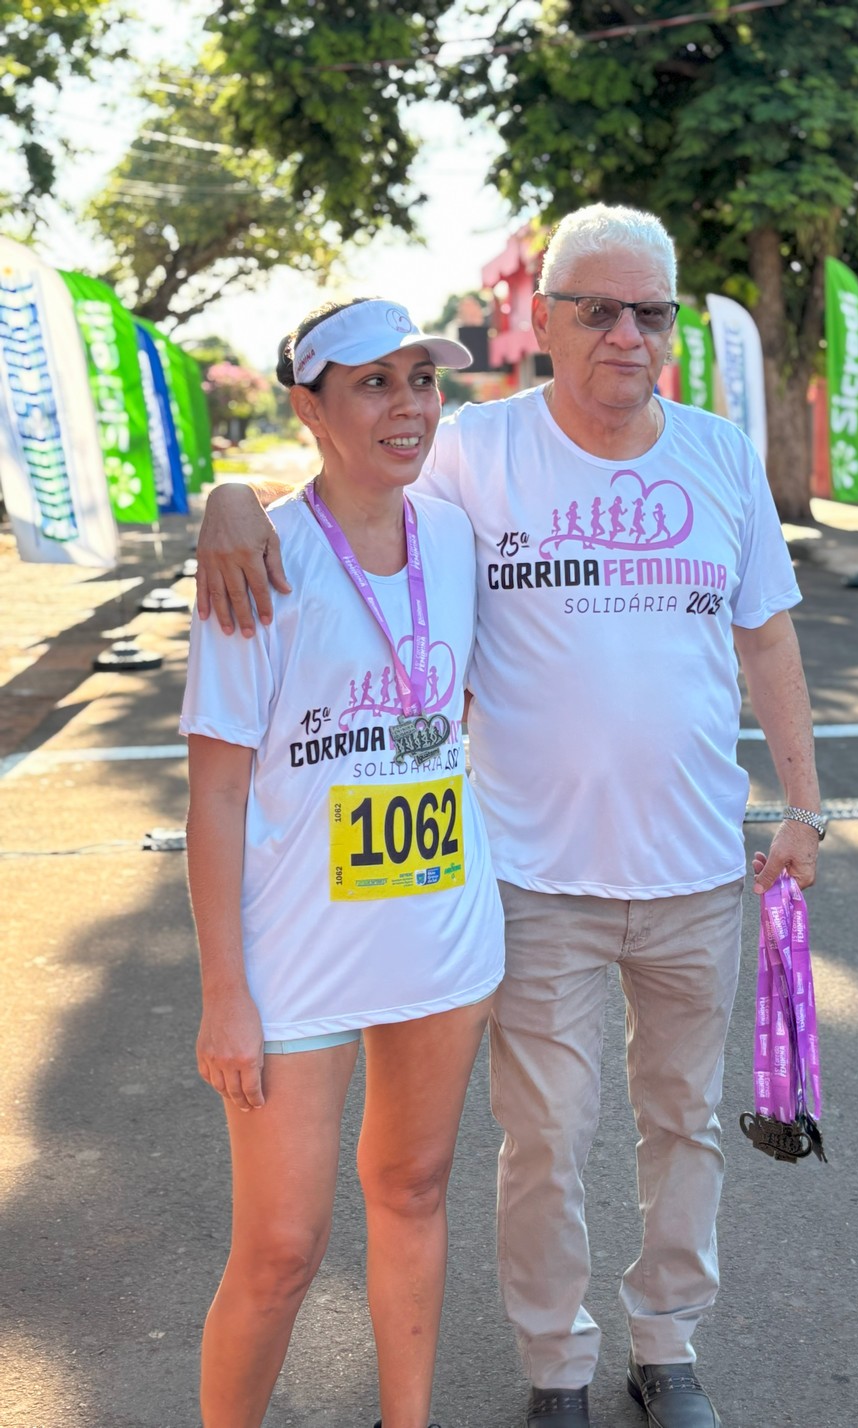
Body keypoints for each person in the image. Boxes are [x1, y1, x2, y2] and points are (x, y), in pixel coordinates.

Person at [195, 205, 823, 1428]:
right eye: (598, 309)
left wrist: (803, 798)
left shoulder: (719, 454)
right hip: (530, 879)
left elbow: (768, 630)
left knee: (682, 1124)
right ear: (548, 317)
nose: (626, 334)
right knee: (539, 1144)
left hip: (697, 868)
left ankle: (666, 1344)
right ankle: (555, 1369)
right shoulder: (481, 451)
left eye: (652, 311)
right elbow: (348, 474)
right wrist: (232, 490)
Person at [181, 297, 504, 1428]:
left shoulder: (459, 535)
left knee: (412, 1190)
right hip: (297, 956)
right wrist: (226, 992)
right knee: (279, 1247)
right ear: (308, 407)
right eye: (374, 384)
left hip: (437, 936)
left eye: (422, 379)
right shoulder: (257, 562)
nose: (409, 405)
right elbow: (216, 794)